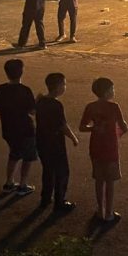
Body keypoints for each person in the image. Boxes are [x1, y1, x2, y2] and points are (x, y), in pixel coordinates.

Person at [80, 77, 128, 223]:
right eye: (112, 89)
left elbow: (82, 127)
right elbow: (123, 126)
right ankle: (109, 212)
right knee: (110, 181)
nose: (114, 91)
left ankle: (100, 210)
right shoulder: (114, 107)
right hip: (110, 148)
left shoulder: (90, 107)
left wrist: (94, 127)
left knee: (99, 180)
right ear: (107, 92)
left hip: (95, 146)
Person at [0, 59, 37, 196]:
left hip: (8, 128)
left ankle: (9, 182)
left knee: (14, 154)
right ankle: (23, 184)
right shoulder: (25, 90)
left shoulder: (1, 89)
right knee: (28, 157)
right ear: (21, 72)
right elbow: (32, 111)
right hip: (25, 129)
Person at [36, 72, 78, 211]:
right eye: (64, 84)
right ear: (58, 87)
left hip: (41, 140)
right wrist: (73, 137)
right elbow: (62, 125)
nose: (65, 87)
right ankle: (60, 201)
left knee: (48, 170)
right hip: (55, 142)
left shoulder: (41, 101)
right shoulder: (56, 105)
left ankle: (46, 197)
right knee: (62, 171)